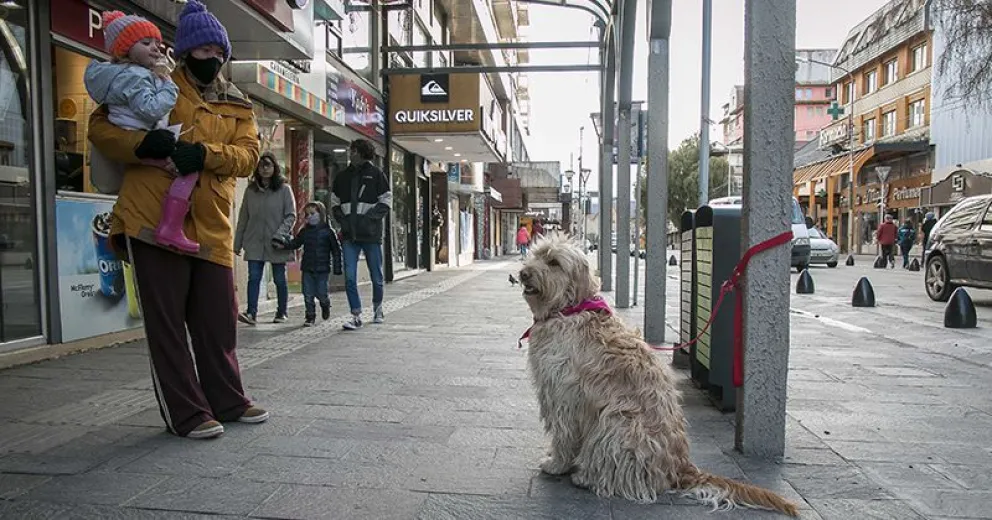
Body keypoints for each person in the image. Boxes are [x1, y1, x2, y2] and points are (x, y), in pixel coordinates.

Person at [87, 0, 267, 439]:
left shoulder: (239, 103)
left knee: (218, 320)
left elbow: (249, 156)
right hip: (151, 216)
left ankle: (228, 399)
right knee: (167, 323)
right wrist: (142, 145)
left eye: (218, 52)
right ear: (184, 52)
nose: (212, 59)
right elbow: (102, 129)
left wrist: (205, 154)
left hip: (211, 222)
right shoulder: (151, 80)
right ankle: (186, 413)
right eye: (203, 51)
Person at [83, 11, 201, 254]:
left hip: (137, 141)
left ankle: (171, 226)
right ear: (124, 49)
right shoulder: (136, 77)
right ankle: (171, 227)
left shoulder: (123, 75)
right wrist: (168, 84)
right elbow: (150, 109)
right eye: (146, 43)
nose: (156, 49)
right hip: (141, 143)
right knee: (187, 172)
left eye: (157, 43)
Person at [330, 138, 391, 330]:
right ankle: (355, 315)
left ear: (363, 153)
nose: (351, 153)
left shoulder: (376, 174)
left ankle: (378, 308)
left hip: (371, 234)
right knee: (350, 277)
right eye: (351, 150)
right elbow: (334, 202)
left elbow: (386, 202)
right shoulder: (342, 177)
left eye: (354, 150)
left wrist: (368, 219)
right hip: (350, 235)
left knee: (376, 275)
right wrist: (343, 221)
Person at [234, 152, 297, 325]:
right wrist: (237, 243)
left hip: (276, 242)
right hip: (255, 241)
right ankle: (251, 312)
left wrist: (280, 234)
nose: (265, 169)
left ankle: (282, 312)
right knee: (254, 277)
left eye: (268, 165)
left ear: (274, 167)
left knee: (279, 279)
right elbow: (243, 218)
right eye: (261, 166)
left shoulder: (284, 189)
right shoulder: (251, 191)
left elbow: (291, 215)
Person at [281, 201, 342, 327]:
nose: (309, 216)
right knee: (308, 294)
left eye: (312, 213)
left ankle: (325, 304)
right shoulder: (305, 231)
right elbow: (296, 243)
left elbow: (336, 250)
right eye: (307, 214)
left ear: (321, 214)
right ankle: (310, 316)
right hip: (307, 267)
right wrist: (284, 244)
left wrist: (337, 267)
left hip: (323, 268)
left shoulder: (328, 232)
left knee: (321, 292)